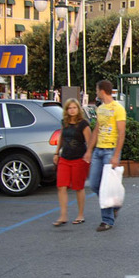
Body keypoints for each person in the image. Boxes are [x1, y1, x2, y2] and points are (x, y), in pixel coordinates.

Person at [83, 80, 126, 232]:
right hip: (98, 150)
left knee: (105, 187)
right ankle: (114, 205)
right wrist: (89, 150)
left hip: (110, 150)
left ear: (102, 91)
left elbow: (121, 133)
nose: (95, 92)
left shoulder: (118, 109)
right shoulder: (100, 109)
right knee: (94, 184)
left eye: (96, 89)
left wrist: (116, 155)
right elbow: (96, 130)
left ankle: (107, 220)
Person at [52, 98, 91, 227]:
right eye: (69, 108)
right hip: (65, 157)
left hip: (79, 158)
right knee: (61, 186)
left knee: (78, 187)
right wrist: (57, 153)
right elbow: (61, 138)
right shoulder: (65, 123)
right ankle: (63, 215)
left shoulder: (83, 124)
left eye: (74, 107)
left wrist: (88, 154)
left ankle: (80, 215)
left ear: (78, 109)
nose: (72, 110)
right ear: (67, 110)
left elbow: (89, 141)